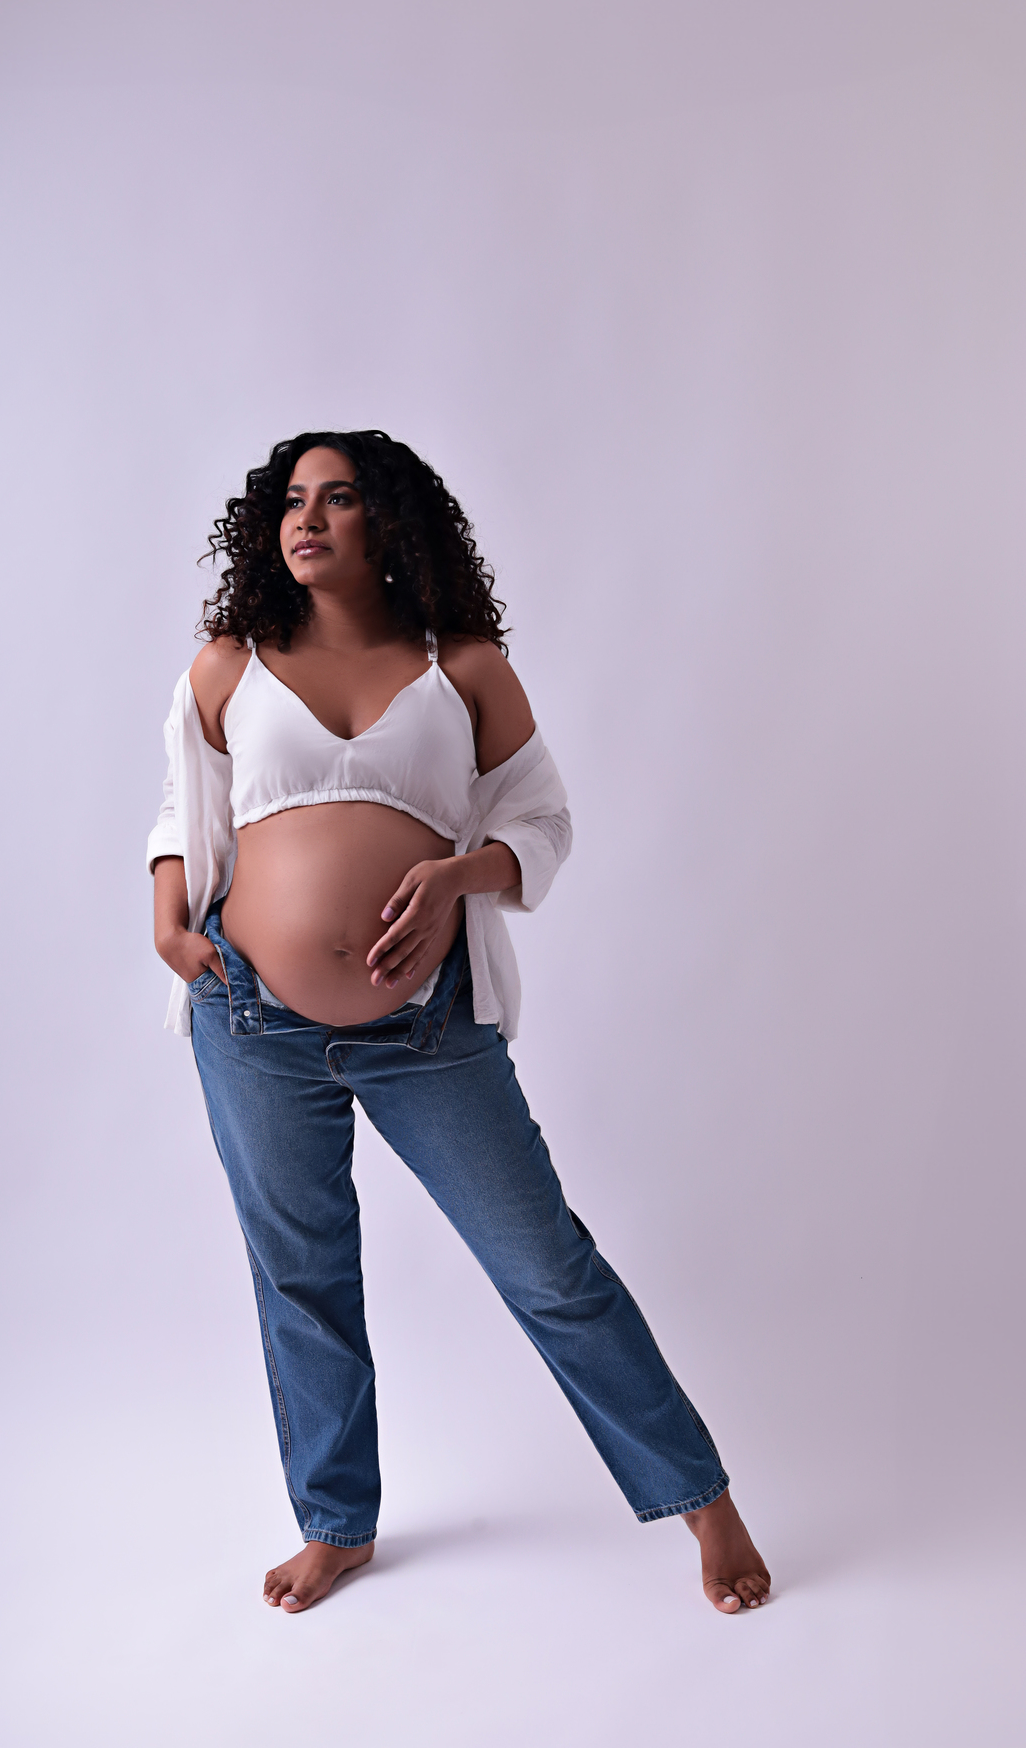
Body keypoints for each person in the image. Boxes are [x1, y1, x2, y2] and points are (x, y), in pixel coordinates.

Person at [148, 430, 770, 1616]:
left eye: (338, 497)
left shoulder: (463, 668)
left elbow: (543, 820)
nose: (308, 518)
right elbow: (184, 810)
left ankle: (702, 1499)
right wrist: (169, 924)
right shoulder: (230, 665)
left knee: (547, 1266)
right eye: (292, 500)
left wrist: (458, 878)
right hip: (252, 1018)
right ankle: (336, 1523)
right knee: (301, 1276)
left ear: (387, 520)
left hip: (427, 1029)